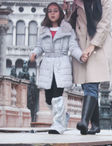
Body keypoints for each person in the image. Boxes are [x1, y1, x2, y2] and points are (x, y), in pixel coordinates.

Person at [29, 2, 85, 134]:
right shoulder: (42, 30)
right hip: (47, 64)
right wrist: (34, 53)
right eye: (50, 11)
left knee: (57, 95)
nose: (52, 13)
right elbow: (39, 47)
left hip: (61, 64)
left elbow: (73, 46)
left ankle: (58, 125)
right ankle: (63, 116)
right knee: (48, 99)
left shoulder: (67, 29)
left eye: (55, 11)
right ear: (47, 14)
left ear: (60, 13)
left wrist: (80, 56)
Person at [68, 0, 112, 135]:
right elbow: (68, 25)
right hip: (81, 47)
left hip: (98, 46)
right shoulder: (76, 3)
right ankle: (95, 124)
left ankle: (84, 121)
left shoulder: (105, 2)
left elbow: (104, 25)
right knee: (87, 85)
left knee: (91, 85)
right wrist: (68, 10)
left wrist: (92, 46)